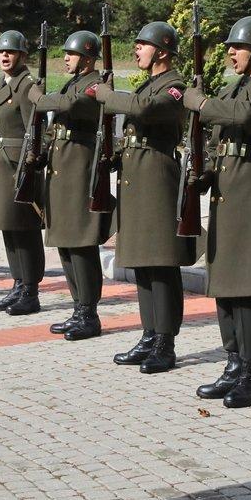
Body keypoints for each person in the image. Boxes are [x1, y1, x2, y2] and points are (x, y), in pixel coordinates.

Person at [183, 15, 251, 408]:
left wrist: (201, 103)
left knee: (246, 288)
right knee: (223, 283)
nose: (230, 52)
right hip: (226, 192)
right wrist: (204, 173)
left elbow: (246, 117)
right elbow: (217, 136)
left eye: (237, 47)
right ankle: (232, 362)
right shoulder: (234, 86)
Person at [93, 21, 196, 373]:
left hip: (157, 176)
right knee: (140, 259)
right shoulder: (151, 84)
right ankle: (149, 334)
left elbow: (145, 110)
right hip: (137, 176)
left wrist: (106, 95)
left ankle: (165, 341)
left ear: (162, 51)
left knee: (161, 261)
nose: (136, 50)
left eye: (142, 45)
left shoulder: (175, 86)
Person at [35, 31, 112, 341]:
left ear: (88, 59)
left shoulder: (95, 84)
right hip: (61, 171)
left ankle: (89, 313)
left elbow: (71, 103)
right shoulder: (73, 81)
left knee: (81, 245)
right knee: (65, 244)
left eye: (72, 53)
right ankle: (78, 306)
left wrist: (38, 99)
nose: (65, 58)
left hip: (79, 174)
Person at [0, 30, 45, 316]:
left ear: (22, 55)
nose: (4, 56)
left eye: (10, 52)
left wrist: (30, 164)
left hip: (17, 165)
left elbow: (35, 128)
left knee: (25, 230)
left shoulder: (25, 85)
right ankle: (18, 284)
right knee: (9, 227)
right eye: (1, 52)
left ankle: (30, 290)